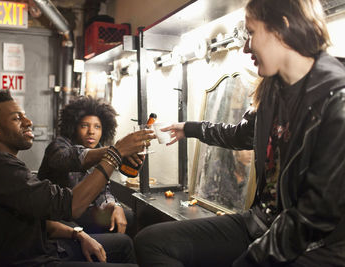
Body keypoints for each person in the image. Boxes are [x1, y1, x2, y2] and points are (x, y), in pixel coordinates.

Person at [134, 0, 345, 266]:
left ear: (282, 27)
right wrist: (189, 129)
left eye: (252, 33)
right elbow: (242, 135)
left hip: (314, 245)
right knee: (151, 242)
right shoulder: (274, 89)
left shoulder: (337, 98)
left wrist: (250, 260)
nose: (246, 47)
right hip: (260, 223)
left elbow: (315, 215)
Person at [0, 90, 154, 267]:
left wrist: (78, 234)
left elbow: (35, 219)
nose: (28, 121)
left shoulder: (2, 164)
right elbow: (71, 205)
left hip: (43, 246)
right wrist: (115, 153)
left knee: (124, 243)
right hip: (32, 261)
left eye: (97, 127)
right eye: (16, 118)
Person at [38, 96, 138, 235]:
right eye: (84, 125)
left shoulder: (99, 149)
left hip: (83, 212)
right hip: (56, 215)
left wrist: (114, 206)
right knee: (121, 240)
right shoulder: (59, 145)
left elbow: (104, 190)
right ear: (73, 127)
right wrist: (112, 152)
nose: (91, 131)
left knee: (128, 217)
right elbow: (65, 158)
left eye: (97, 127)